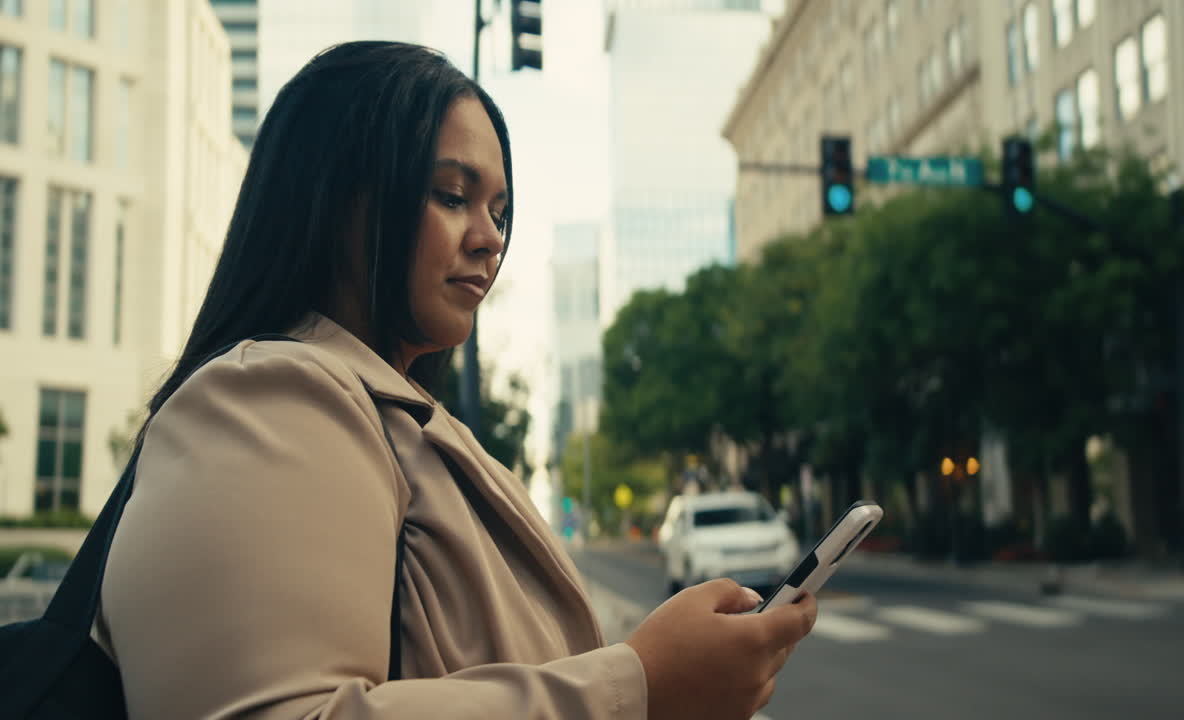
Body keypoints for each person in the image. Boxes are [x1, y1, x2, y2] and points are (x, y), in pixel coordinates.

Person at [94, 41, 816, 720]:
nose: (490, 236)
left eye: (499, 211)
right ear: (339, 197)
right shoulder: (268, 397)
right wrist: (641, 684)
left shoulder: (397, 419)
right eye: (450, 195)